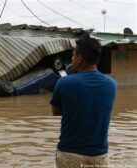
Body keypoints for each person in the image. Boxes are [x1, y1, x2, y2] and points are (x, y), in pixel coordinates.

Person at [50, 37, 117, 168]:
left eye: (73, 55)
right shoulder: (111, 85)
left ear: (80, 58)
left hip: (69, 154)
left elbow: (55, 112)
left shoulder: (64, 82)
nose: (72, 59)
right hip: (99, 155)